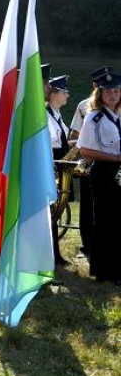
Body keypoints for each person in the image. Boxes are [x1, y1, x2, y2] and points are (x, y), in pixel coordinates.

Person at [77, 71, 121, 283]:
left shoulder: (117, 115)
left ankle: (115, 267)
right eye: (108, 91)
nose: (113, 95)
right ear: (100, 93)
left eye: (116, 91)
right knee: (105, 220)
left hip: (117, 171)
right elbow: (84, 149)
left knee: (117, 220)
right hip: (104, 171)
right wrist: (115, 158)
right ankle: (103, 271)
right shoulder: (94, 117)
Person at [71, 66, 114, 256]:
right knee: (89, 207)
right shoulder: (84, 106)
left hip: (113, 165)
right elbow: (75, 135)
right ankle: (88, 244)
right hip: (91, 162)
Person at [46, 74, 72, 266]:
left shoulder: (56, 115)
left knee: (55, 212)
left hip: (59, 164)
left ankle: (55, 252)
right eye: (65, 92)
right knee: (50, 212)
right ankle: (51, 253)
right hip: (52, 166)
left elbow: (60, 140)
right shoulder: (46, 115)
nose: (68, 95)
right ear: (54, 94)